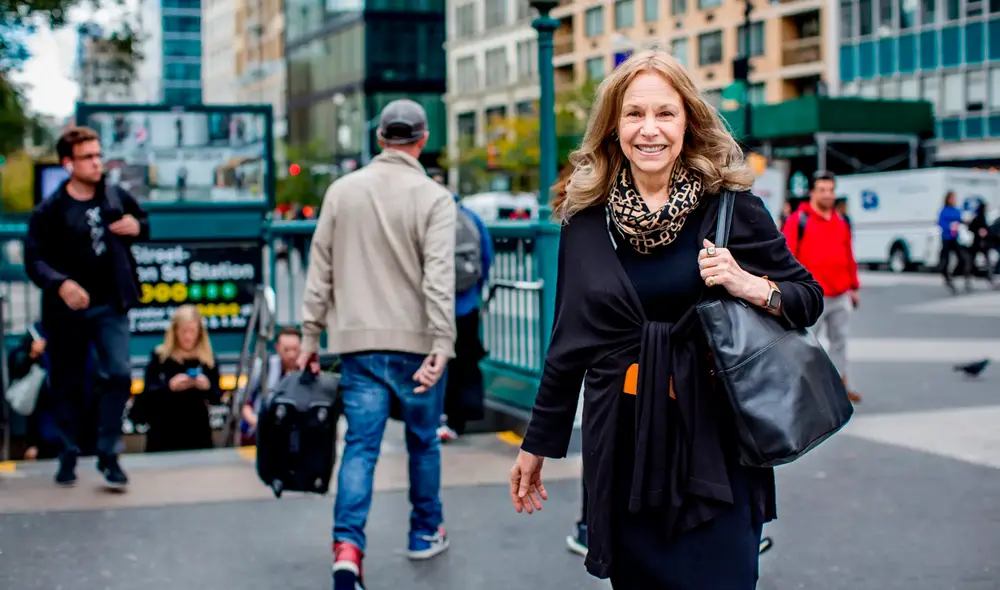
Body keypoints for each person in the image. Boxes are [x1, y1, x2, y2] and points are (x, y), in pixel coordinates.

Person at [507, 50, 824, 589]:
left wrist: (746, 283)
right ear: (613, 126)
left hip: (716, 443)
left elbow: (807, 297)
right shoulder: (585, 221)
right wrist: (538, 444)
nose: (648, 129)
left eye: (664, 113)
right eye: (634, 114)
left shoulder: (731, 207)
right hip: (625, 448)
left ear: (688, 123)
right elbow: (569, 344)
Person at [299, 99, 456, 590]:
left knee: (361, 447)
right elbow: (438, 278)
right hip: (417, 343)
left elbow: (319, 268)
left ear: (380, 137)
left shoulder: (341, 193)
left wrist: (309, 334)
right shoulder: (434, 198)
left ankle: (348, 549)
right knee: (423, 441)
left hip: (358, 345)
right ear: (423, 140)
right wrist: (442, 341)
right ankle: (424, 531)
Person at [24, 125, 150, 488]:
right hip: (67, 311)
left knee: (120, 372)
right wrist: (60, 284)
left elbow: (144, 222)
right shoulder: (51, 210)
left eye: (98, 155)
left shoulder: (113, 195)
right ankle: (68, 452)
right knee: (67, 382)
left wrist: (136, 226)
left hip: (110, 303)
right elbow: (34, 259)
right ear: (68, 163)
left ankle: (109, 452)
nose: (97, 163)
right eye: (88, 157)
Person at [783, 171, 863, 403]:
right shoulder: (799, 220)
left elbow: (848, 255)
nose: (827, 195)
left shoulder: (841, 221)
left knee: (840, 341)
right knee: (806, 345)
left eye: (831, 190)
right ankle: (803, 390)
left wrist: (854, 286)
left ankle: (838, 386)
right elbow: (787, 257)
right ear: (812, 193)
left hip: (840, 293)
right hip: (812, 296)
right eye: (822, 190)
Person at [430, 172, 494, 442]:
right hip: (465, 305)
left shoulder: (426, 216)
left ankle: (435, 418)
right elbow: (486, 257)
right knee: (463, 362)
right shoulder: (469, 216)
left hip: (431, 307)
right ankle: (457, 421)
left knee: (433, 362)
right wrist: (475, 293)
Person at [133, 305, 221, 453]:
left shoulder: (208, 359)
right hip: (163, 432)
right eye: (184, 331)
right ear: (175, 331)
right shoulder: (160, 358)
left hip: (197, 432)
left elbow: (217, 397)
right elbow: (147, 394)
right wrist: (169, 387)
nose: (188, 337)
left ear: (200, 333)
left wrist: (206, 386)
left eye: (192, 331)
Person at [239, 325, 303, 446]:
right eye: (286, 349)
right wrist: (255, 421)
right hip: (262, 436)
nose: (291, 355)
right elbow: (242, 401)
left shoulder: (307, 372)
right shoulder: (263, 368)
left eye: (295, 349)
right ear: (277, 347)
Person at [937, 191, 971, 294]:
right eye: (952, 198)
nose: (953, 200)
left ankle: (959, 275)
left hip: (955, 238)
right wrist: (949, 226)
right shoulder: (944, 211)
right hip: (947, 237)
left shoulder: (956, 210)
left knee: (962, 257)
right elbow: (940, 222)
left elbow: (960, 220)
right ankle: (947, 276)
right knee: (946, 259)